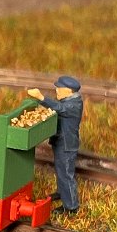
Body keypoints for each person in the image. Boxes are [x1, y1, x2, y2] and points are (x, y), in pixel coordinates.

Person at [28, 75, 83, 215]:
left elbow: (60, 108)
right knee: (60, 170)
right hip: (60, 142)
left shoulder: (73, 105)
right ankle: (61, 192)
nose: (57, 90)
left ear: (69, 91)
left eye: (59, 88)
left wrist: (41, 97)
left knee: (66, 174)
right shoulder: (68, 100)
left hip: (66, 145)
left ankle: (71, 207)